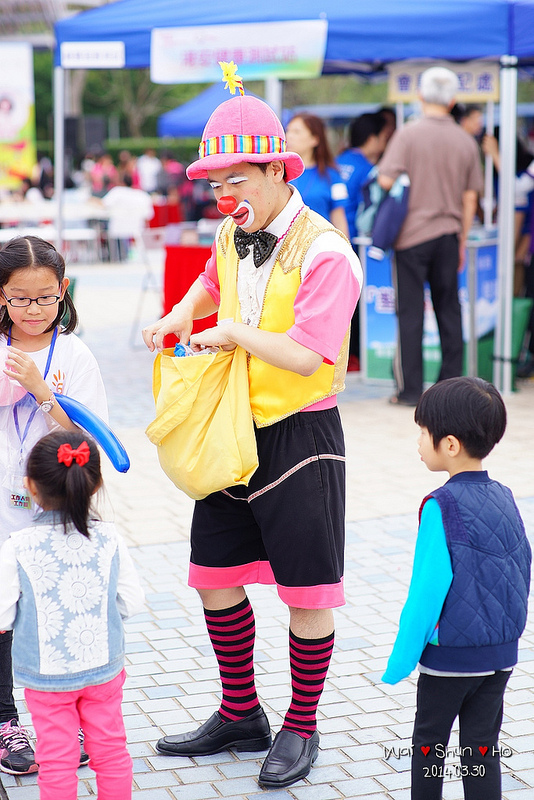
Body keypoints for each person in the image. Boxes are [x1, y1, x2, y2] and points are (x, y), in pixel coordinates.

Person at [142, 73, 362, 789]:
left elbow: (306, 354)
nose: (224, 195)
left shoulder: (328, 252)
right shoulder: (232, 229)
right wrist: (183, 313)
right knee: (213, 576)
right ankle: (242, 712)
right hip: (233, 427)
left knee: (306, 591)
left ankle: (302, 724)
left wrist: (229, 331)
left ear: (277, 170)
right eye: (216, 183)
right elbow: (211, 276)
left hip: (302, 437)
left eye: (237, 179)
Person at [382, 377, 531, 800]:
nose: (417, 441)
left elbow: (425, 594)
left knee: (429, 747)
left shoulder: (440, 506)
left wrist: (401, 661)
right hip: (500, 656)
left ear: (449, 444)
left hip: (450, 659)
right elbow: (521, 568)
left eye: (422, 432)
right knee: (481, 750)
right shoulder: (505, 496)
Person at [0, 235, 108, 775]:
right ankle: (4, 720)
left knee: (51, 612)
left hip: (55, 507)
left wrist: (42, 390)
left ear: (62, 292)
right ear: (1, 296)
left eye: (45, 297)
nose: (34, 310)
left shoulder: (74, 354)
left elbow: (89, 442)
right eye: (21, 299)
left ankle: (63, 722)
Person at [0, 430, 145, 800]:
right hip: (104, 670)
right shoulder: (110, 538)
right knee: (111, 752)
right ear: (94, 484)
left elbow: (2, 615)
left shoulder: (18, 547)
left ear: (30, 486)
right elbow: (131, 601)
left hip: (46, 677)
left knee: (57, 760)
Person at [377, 66, 484, 406]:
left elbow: (384, 181)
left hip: (411, 237)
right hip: (449, 235)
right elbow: (471, 197)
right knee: (448, 311)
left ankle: (409, 391)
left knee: (410, 314)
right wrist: (462, 239)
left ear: (420, 97)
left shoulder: (408, 135)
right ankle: (451, 386)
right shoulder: (465, 140)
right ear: (453, 101)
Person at [286, 113, 350, 237]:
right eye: (288, 131)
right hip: (286, 248)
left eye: (296, 132)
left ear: (315, 139)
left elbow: (339, 220)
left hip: (320, 245)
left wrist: (345, 251)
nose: (289, 136)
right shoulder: (278, 173)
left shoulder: (332, 176)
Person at [102, 174, 154, 261]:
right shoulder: (142, 195)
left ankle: (115, 258)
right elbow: (148, 216)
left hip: (117, 228)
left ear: (121, 182)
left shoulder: (117, 192)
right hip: (137, 229)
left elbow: (103, 204)